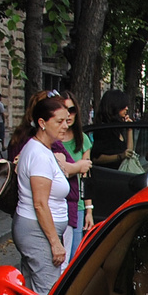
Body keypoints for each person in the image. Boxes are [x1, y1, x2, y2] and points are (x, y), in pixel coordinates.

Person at [7, 95, 75, 295]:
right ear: (42, 123)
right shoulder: (37, 154)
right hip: (38, 231)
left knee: (29, 293)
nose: (65, 125)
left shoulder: (42, 150)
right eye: (59, 121)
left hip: (36, 229)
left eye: (66, 120)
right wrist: (56, 243)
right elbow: (40, 203)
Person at [58, 92, 94, 259]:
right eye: (64, 109)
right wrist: (76, 167)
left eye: (72, 110)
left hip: (77, 206)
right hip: (55, 204)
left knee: (73, 257)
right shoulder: (51, 139)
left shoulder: (83, 139)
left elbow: (85, 177)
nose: (68, 115)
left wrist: (89, 210)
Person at [89, 89, 136, 168]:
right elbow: (96, 158)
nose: (127, 108)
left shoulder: (118, 128)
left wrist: (129, 129)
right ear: (115, 106)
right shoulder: (103, 130)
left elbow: (129, 152)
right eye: (123, 106)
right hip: (109, 175)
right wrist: (119, 156)